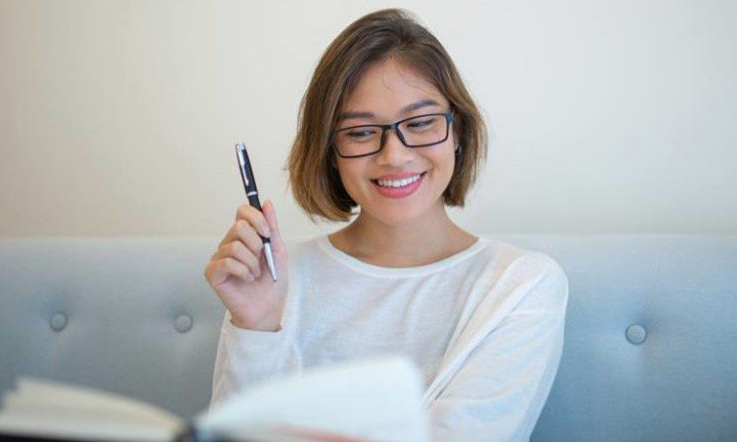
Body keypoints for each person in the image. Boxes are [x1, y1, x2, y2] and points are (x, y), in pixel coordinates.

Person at [205, 8, 568, 441]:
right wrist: (256, 327)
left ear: (459, 132)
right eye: (359, 132)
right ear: (329, 150)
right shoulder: (271, 277)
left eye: (420, 123)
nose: (393, 155)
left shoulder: (520, 284)